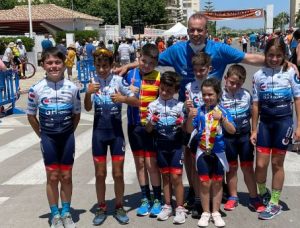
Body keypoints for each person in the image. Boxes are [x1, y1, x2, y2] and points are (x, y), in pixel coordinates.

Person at [27, 47, 81, 228]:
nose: (54, 66)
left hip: (67, 138)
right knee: (52, 177)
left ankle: (66, 212)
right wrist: (42, 135)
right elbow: (30, 115)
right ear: (43, 65)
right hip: (48, 139)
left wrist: (69, 132)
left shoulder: (72, 88)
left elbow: (76, 114)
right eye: (49, 63)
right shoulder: (36, 89)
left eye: (57, 62)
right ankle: (55, 214)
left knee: (66, 176)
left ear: (64, 64)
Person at [84, 48, 139, 225]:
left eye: (105, 66)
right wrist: (88, 93)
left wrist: (123, 98)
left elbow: (136, 101)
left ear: (112, 65)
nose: (102, 69)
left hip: (116, 135)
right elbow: (86, 108)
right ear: (94, 66)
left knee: (118, 174)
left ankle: (119, 206)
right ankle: (101, 207)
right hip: (99, 134)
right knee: (100, 174)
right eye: (98, 66)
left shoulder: (118, 80)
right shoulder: (92, 81)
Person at [251, 37, 300, 220]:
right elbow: (255, 105)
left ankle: (274, 202)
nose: (274, 59)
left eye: (278, 56)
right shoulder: (258, 75)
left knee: (276, 164)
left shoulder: (290, 72)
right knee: (261, 164)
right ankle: (263, 192)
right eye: (270, 55)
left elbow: (297, 99)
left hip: (283, 123)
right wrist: (254, 129)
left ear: (284, 56)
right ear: (265, 55)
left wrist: (299, 126)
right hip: (265, 124)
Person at [186, 78, 236, 227]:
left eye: (210, 94)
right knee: (204, 182)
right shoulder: (199, 111)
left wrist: (223, 119)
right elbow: (189, 130)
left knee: (218, 182)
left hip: (218, 153)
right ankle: (205, 212)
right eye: (204, 94)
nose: (207, 97)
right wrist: (190, 117)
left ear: (218, 94)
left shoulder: (223, 111)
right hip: (202, 152)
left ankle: (216, 212)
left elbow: (232, 130)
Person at [123, 43, 162, 217]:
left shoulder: (159, 78)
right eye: (143, 61)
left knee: (151, 164)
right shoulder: (129, 74)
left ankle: (158, 199)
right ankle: (145, 198)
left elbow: (164, 102)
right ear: (139, 58)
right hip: (133, 126)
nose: (146, 66)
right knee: (139, 164)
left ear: (156, 64)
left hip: (150, 128)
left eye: (151, 64)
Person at [221, 64, 265, 213]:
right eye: (231, 82)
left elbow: (254, 112)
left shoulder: (246, 95)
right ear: (225, 79)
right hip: (228, 138)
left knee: (247, 167)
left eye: (238, 84)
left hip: (244, 138)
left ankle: (254, 198)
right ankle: (233, 197)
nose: (234, 86)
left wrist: (254, 130)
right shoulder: (220, 96)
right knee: (232, 168)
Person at [145, 72, 187, 224]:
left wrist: (182, 122)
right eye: (162, 89)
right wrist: (152, 121)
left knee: (176, 177)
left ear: (175, 91)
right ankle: (167, 205)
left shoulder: (179, 105)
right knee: (166, 176)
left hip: (176, 145)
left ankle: (180, 208)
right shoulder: (152, 105)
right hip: (161, 145)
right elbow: (148, 129)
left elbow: (186, 128)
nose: (164, 93)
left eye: (169, 91)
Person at [183, 52, 211, 218]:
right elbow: (189, 111)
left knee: (208, 167)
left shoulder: (214, 84)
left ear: (209, 69)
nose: (199, 73)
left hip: (210, 132)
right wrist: (188, 108)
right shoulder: (189, 87)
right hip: (195, 132)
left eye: (202, 69)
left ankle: (211, 198)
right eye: (196, 70)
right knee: (195, 166)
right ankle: (197, 198)